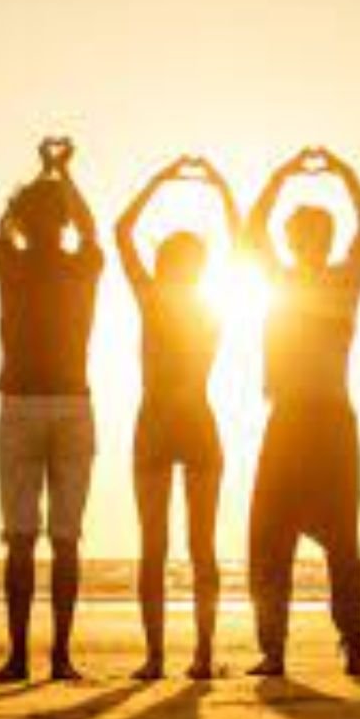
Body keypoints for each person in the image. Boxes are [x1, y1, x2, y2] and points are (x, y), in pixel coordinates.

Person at [245, 146, 360, 677]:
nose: (308, 244)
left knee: (342, 538)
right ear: (295, 241)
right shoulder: (280, 280)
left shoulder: (341, 281)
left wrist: (337, 173)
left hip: (327, 419)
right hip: (291, 419)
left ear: (322, 241)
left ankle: (352, 644)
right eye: (302, 236)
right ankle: (273, 650)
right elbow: (254, 233)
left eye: (315, 236)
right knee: (270, 536)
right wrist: (284, 173)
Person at [116, 155, 240, 681]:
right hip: (178, 425)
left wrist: (161, 180)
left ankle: (172, 656)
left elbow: (123, 232)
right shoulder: (196, 305)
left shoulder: (163, 300)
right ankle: (189, 655)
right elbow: (243, 246)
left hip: (169, 424)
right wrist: (217, 188)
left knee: (167, 546)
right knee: (186, 546)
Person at [0, 137, 104, 682]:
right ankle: (59, 656)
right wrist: (63, 174)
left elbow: (2, 228)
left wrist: (43, 172)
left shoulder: (9, 262)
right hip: (72, 403)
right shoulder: (82, 265)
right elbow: (90, 229)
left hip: (22, 403)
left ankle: (18, 657)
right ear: (60, 221)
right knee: (65, 537)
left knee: (20, 536)